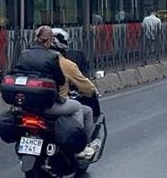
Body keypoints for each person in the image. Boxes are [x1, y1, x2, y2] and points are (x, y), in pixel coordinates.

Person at [12, 26, 97, 160]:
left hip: (27, 105)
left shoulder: (24, 54)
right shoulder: (54, 59)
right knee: (78, 108)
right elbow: (60, 80)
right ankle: (77, 146)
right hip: (49, 104)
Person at [51, 29, 101, 134]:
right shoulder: (65, 64)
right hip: (54, 103)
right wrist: (92, 90)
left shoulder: (31, 60)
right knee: (83, 110)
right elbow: (86, 86)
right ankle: (80, 144)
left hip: (31, 104)